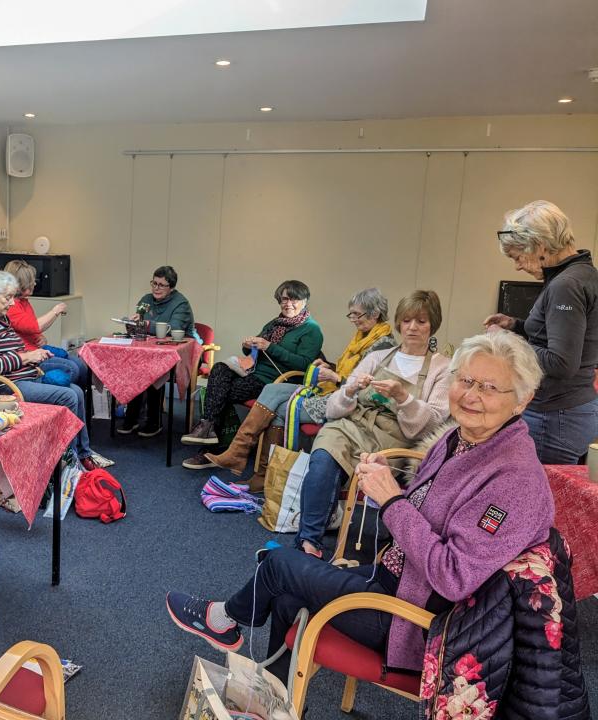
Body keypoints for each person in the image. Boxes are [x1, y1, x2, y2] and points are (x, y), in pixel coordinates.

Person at [167, 330, 552, 681]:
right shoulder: (461, 438)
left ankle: (225, 619)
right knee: (285, 594)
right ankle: (272, 699)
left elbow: (453, 577)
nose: (470, 395)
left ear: (522, 400)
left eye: (488, 387)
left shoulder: (513, 480)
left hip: (420, 625)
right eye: (465, 380)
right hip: (394, 581)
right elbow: (428, 509)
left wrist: (392, 500)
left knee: (279, 564)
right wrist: (393, 483)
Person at [289, 290, 449, 558]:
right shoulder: (379, 357)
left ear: (433, 324)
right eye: (407, 320)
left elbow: (429, 425)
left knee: (358, 465)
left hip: (395, 438)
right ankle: (309, 542)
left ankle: (325, 529)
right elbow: (333, 408)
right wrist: (350, 390)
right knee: (323, 457)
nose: (412, 327)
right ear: (398, 322)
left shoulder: (443, 368)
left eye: (421, 321)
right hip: (351, 424)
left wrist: (402, 397)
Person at [202, 287, 395, 476]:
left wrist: (337, 378)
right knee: (260, 387)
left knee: (276, 406)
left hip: (347, 401)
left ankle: (261, 470)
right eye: (351, 315)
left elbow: (371, 390)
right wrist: (330, 366)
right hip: (326, 388)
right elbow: (354, 372)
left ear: (375, 313)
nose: (353, 320)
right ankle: (235, 450)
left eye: (357, 315)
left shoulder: (382, 346)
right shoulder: (362, 337)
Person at [485, 200, 598, 464]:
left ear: (540, 245)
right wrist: (515, 325)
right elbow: (559, 336)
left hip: (556, 416)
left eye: (517, 256)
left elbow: (561, 363)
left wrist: (505, 342)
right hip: (569, 413)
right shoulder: (583, 275)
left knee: (546, 498)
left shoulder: (565, 285)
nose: (517, 266)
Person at [0, 271, 102, 472]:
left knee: (77, 392)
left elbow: (12, 351)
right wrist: (26, 357)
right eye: (7, 297)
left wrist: (31, 353)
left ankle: (82, 454)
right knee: (69, 395)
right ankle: (69, 466)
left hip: (19, 376)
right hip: (2, 387)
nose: (12, 303)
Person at [181, 280, 322, 468]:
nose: (288, 303)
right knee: (220, 369)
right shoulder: (275, 323)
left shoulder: (312, 330)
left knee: (220, 393)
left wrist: (271, 347)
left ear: (305, 301)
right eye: (284, 299)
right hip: (253, 371)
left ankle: (210, 446)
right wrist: (248, 346)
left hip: (277, 381)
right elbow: (254, 352)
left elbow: (304, 365)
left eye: (294, 299)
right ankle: (209, 429)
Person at [118, 265, 196, 437]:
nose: (156, 288)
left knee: (154, 367)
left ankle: (154, 421)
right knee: (133, 366)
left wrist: (146, 325)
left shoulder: (181, 303)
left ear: (172, 287)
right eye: (154, 283)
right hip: (149, 351)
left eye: (161, 285)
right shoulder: (146, 299)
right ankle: (132, 417)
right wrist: (133, 324)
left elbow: (174, 328)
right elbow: (140, 326)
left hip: (177, 354)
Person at [3, 259, 89, 388]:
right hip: (28, 356)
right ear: (20, 284)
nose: (34, 284)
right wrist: (55, 311)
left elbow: (33, 329)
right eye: (30, 282)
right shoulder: (12, 306)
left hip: (36, 350)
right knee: (72, 368)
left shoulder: (24, 301)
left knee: (79, 363)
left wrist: (41, 336)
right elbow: (35, 326)